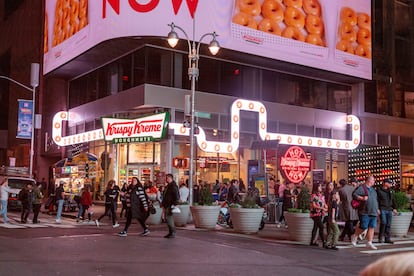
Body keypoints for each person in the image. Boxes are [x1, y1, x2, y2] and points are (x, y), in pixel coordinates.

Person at [351, 175, 379, 250]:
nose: (374, 181)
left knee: (372, 227)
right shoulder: (362, 188)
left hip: (373, 211)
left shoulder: (373, 190)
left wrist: (377, 209)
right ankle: (355, 236)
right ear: (368, 180)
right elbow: (354, 195)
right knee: (363, 226)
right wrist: (362, 198)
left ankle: (369, 242)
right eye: (373, 180)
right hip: (364, 211)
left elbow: (375, 200)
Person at [377, 178, 397, 244]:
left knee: (388, 224)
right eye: (389, 183)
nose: (390, 184)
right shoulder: (379, 190)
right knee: (383, 223)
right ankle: (380, 238)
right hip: (382, 209)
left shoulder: (390, 191)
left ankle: (387, 238)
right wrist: (377, 209)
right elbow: (376, 200)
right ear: (385, 183)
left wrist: (394, 208)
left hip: (389, 209)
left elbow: (393, 199)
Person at [161, 173, 179, 238]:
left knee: (169, 218)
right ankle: (171, 232)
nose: (166, 179)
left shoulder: (173, 186)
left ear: (170, 178)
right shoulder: (169, 186)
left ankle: (172, 232)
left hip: (170, 204)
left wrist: (175, 204)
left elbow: (176, 195)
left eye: (167, 178)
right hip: (167, 204)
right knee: (168, 218)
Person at [310, 182, 327, 247]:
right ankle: (323, 242)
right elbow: (313, 205)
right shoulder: (314, 196)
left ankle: (312, 241)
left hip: (320, 213)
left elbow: (324, 203)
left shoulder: (321, 195)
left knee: (316, 227)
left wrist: (325, 207)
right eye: (319, 186)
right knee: (321, 227)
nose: (321, 188)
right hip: (315, 213)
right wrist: (322, 208)